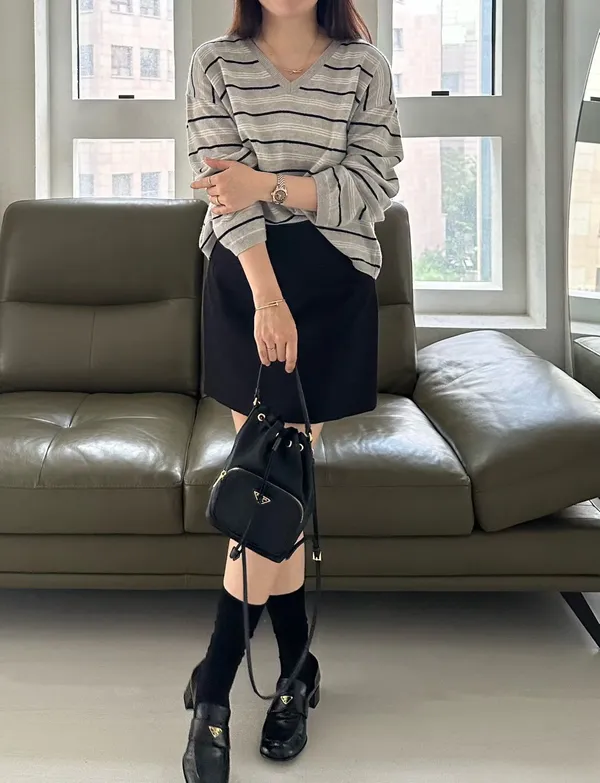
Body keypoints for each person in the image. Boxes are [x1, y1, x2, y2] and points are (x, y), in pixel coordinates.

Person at [183, 1, 403, 780]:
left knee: (274, 487)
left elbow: (373, 186)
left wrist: (265, 182)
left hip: (333, 283)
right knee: (270, 486)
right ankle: (290, 670)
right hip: (248, 283)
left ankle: (218, 686)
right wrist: (268, 299)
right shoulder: (216, 62)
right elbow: (222, 192)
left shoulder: (363, 68)